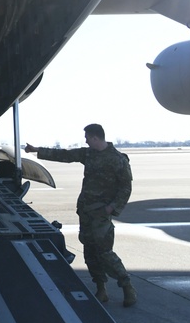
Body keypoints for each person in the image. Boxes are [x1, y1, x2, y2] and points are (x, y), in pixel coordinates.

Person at [24, 123, 137, 307]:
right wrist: (37, 150)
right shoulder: (89, 154)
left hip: (101, 213)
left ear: (95, 137)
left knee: (105, 253)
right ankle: (101, 289)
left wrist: (112, 208)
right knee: (90, 252)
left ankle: (127, 286)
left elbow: (126, 187)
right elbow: (66, 155)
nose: (85, 141)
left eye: (87, 137)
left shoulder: (117, 159)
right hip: (86, 211)